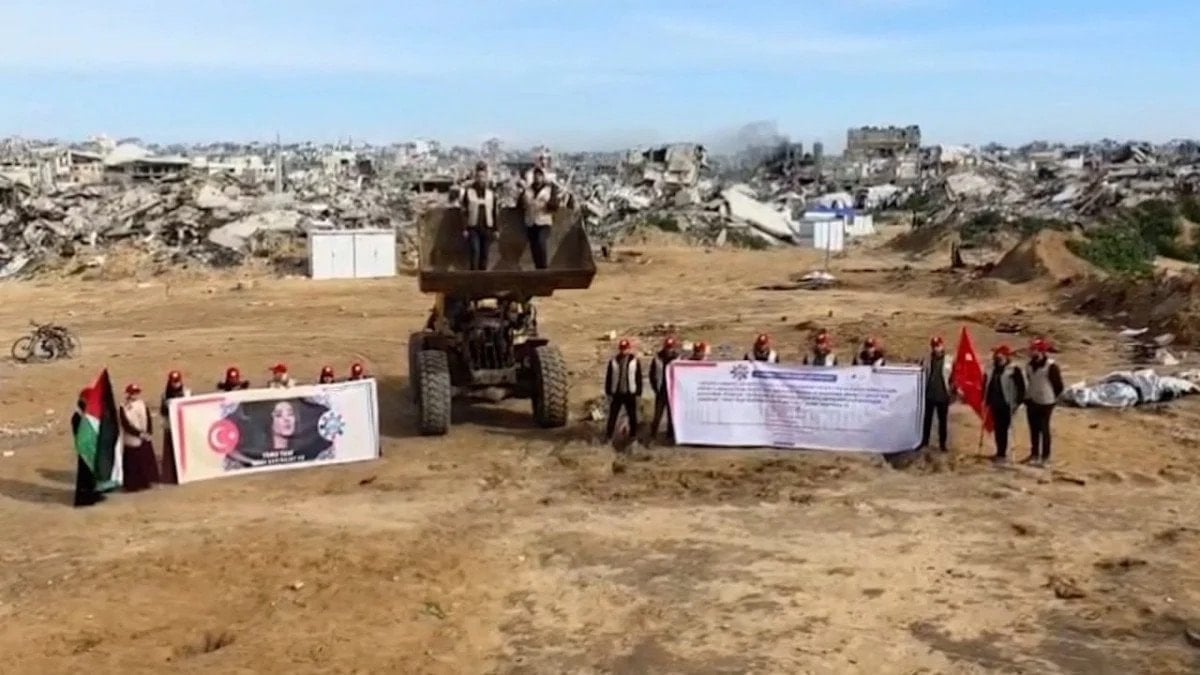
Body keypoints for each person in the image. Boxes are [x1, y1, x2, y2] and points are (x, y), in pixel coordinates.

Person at [1024, 338, 1065, 466]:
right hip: (1032, 400)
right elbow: (1030, 380)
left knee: (1044, 429)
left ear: (1041, 351)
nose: (1031, 352)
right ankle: (1034, 454)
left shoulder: (1051, 366)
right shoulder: (1029, 365)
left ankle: (1045, 456)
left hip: (1046, 402)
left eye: (1034, 350)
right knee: (1033, 429)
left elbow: (1058, 385)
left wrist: (1051, 396)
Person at [984, 344, 1026, 463]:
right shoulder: (992, 369)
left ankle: (1002, 454)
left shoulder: (1014, 370)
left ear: (1006, 357)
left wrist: (1018, 402)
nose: (998, 357)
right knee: (998, 429)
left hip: (1007, 404)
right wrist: (986, 400)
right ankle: (1000, 452)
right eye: (997, 355)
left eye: (1001, 355)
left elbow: (1021, 387)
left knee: (1004, 428)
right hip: (995, 403)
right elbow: (988, 384)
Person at [516, 167, 562, 270]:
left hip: (544, 221)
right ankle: (538, 269)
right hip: (531, 222)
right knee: (534, 246)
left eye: (539, 176)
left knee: (541, 241)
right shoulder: (528, 190)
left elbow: (555, 205)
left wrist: (550, 203)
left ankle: (544, 267)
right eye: (536, 175)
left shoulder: (549, 190)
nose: (537, 178)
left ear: (543, 177)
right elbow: (519, 205)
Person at [118, 383, 160, 492]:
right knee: (132, 463)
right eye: (133, 393)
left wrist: (149, 432)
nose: (135, 395)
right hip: (132, 438)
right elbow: (126, 424)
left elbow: (148, 418)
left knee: (144, 461)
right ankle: (132, 485)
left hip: (144, 436)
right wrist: (138, 433)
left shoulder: (142, 404)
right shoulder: (123, 407)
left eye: (136, 393)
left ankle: (145, 481)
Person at [603, 339, 643, 444]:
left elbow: (638, 377)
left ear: (629, 349)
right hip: (617, 393)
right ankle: (609, 436)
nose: (623, 351)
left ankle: (633, 436)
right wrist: (608, 392)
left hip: (630, 393)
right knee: (613, 416)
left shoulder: (634, 361)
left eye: (625, 349)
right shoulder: (613, 362)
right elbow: (609, 377)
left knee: (632, 416)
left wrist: (638, 393)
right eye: (622, 349)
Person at [460, 161, 498, 270]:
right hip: (473, 228)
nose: (481, 179)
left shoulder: (491, 193)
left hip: (487, 228)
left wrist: (496, 229)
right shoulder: (469, 192)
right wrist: (464, 228)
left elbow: (494, 212)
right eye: (479, 177)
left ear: (486, 178)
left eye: (483, 177)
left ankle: (482, 277)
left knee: (484, 254)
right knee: (475, 252)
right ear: (475, 177)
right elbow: (464, 211)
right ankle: (473, 276)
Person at [70, 388, 105, 507]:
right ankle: (84, 498)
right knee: (85, 474)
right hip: (85, 449)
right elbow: (80, 435)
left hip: (92, 448)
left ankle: (93, 494)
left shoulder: (87, 416)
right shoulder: (77, 417)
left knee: (92, 473)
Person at [920, 337, 953, 452]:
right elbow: (922, 372)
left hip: (943, 395)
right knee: (927, 420)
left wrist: (953, 388)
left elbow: (954, 376)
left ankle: (942, 445)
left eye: (938, 346)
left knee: (942, 421)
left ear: (942, 346)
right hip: (930, 394)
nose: (936, 349)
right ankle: (925, 441)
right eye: (934, 346)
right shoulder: (927, 360)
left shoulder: (949, 360)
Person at [158, 370, 190, 485]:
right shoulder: (165, 395)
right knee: (170, 452)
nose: (175, 384)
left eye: (177, 381)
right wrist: (167, 406)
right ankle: (170, 475)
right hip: (171, 427)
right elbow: (162, 412)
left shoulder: (186, 393)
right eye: (173, 382)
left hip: (183, 427)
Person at [648, 336, 681, 442]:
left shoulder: (678, 359)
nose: (669, 349)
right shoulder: (657, 358)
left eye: (670, 347)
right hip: (661, 391)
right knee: (657, 415)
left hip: (672, 391)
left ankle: (670, 435)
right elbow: (652, 374)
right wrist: (655, 387)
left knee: (671, 415)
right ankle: (652, 435)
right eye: (667, 347)